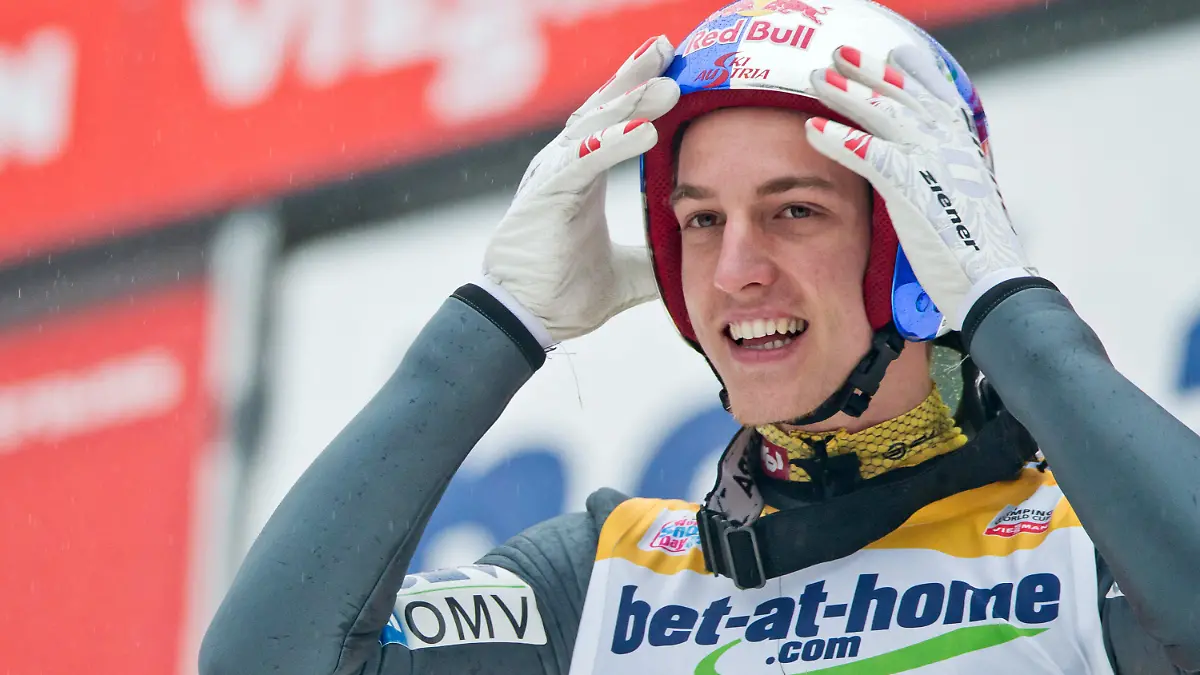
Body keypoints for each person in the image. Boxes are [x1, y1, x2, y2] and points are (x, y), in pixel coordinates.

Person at [199, 1, 1200, 673]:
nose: (734, 272)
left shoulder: (1086, 559)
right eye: (701, 220)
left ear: (914, 246)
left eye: (794, 211)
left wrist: (1003, 297)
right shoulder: (602, 583)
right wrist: (492, 326)